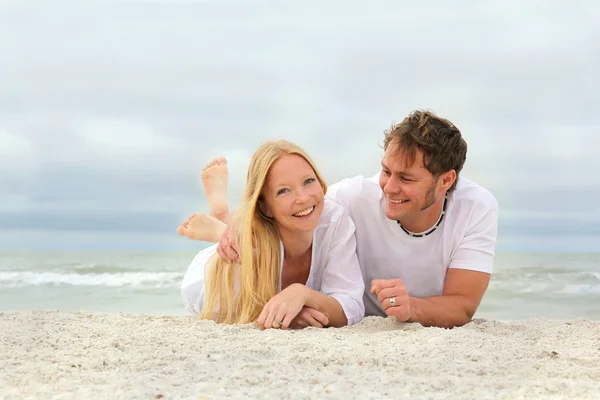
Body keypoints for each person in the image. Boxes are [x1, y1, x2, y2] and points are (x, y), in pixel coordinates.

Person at [217, 111, 499, 329]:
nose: (389, 187)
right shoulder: (355, 196)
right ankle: (217, 219)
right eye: (386, 171)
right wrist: (241, 218)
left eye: (406, 178)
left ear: (446, 180)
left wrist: (412, 307)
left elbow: (462, 305)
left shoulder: (476, 208)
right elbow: (299, 207)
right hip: (347, 313)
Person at [178, 140, 365, 330]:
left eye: (308, 181)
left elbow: (351, 305)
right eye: (283, 191)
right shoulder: (246, 250)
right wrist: (290, 316)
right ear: (265, 207)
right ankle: (224, 226)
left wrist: (301, 294)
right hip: (222, 268)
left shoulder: (334, 220)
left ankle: (224, 222)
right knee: (242, 243)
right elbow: (232, 313)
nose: (303, 198)